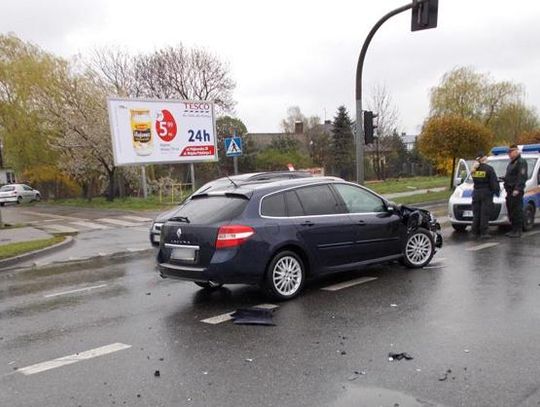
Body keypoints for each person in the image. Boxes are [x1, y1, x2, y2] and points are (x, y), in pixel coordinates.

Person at [471, 152, 500, 239]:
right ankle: (484, 233)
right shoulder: (489, 169)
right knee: (485, 213)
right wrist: (497, 192)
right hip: (486, 193)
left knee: (476, 213)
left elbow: (474, 180)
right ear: (483, 158)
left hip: (476, 193)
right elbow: (493, 182)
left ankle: (475, 231)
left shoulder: (474, 169)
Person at [503, 144, 528, 237]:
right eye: (508, 152)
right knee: (511, 210)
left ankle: (518, 231)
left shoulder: (521, 162)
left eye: (510, 152)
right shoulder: (511, 162)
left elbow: (522, 177)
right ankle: (513, 229)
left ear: (516, 151)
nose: (509, 154)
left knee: (517, 211)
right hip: (509, 190)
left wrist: (518, 189)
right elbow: (510, 176)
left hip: (515, 191)